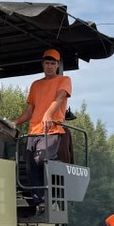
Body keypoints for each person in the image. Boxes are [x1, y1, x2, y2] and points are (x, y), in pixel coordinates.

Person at [12, 48, 72, 209]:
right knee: (30, 165)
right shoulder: (36, 85)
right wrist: (14, 123)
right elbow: (29, 110)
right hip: (33, 132)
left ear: (57, 65)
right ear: (42, 64)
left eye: (53, 63)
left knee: (41, 158)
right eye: (47, 63)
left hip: (51, 130)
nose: (50, 66)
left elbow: (60, 97)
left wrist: (48, 114)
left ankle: (51, 195)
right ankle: (39, 202)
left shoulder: (64, 80)